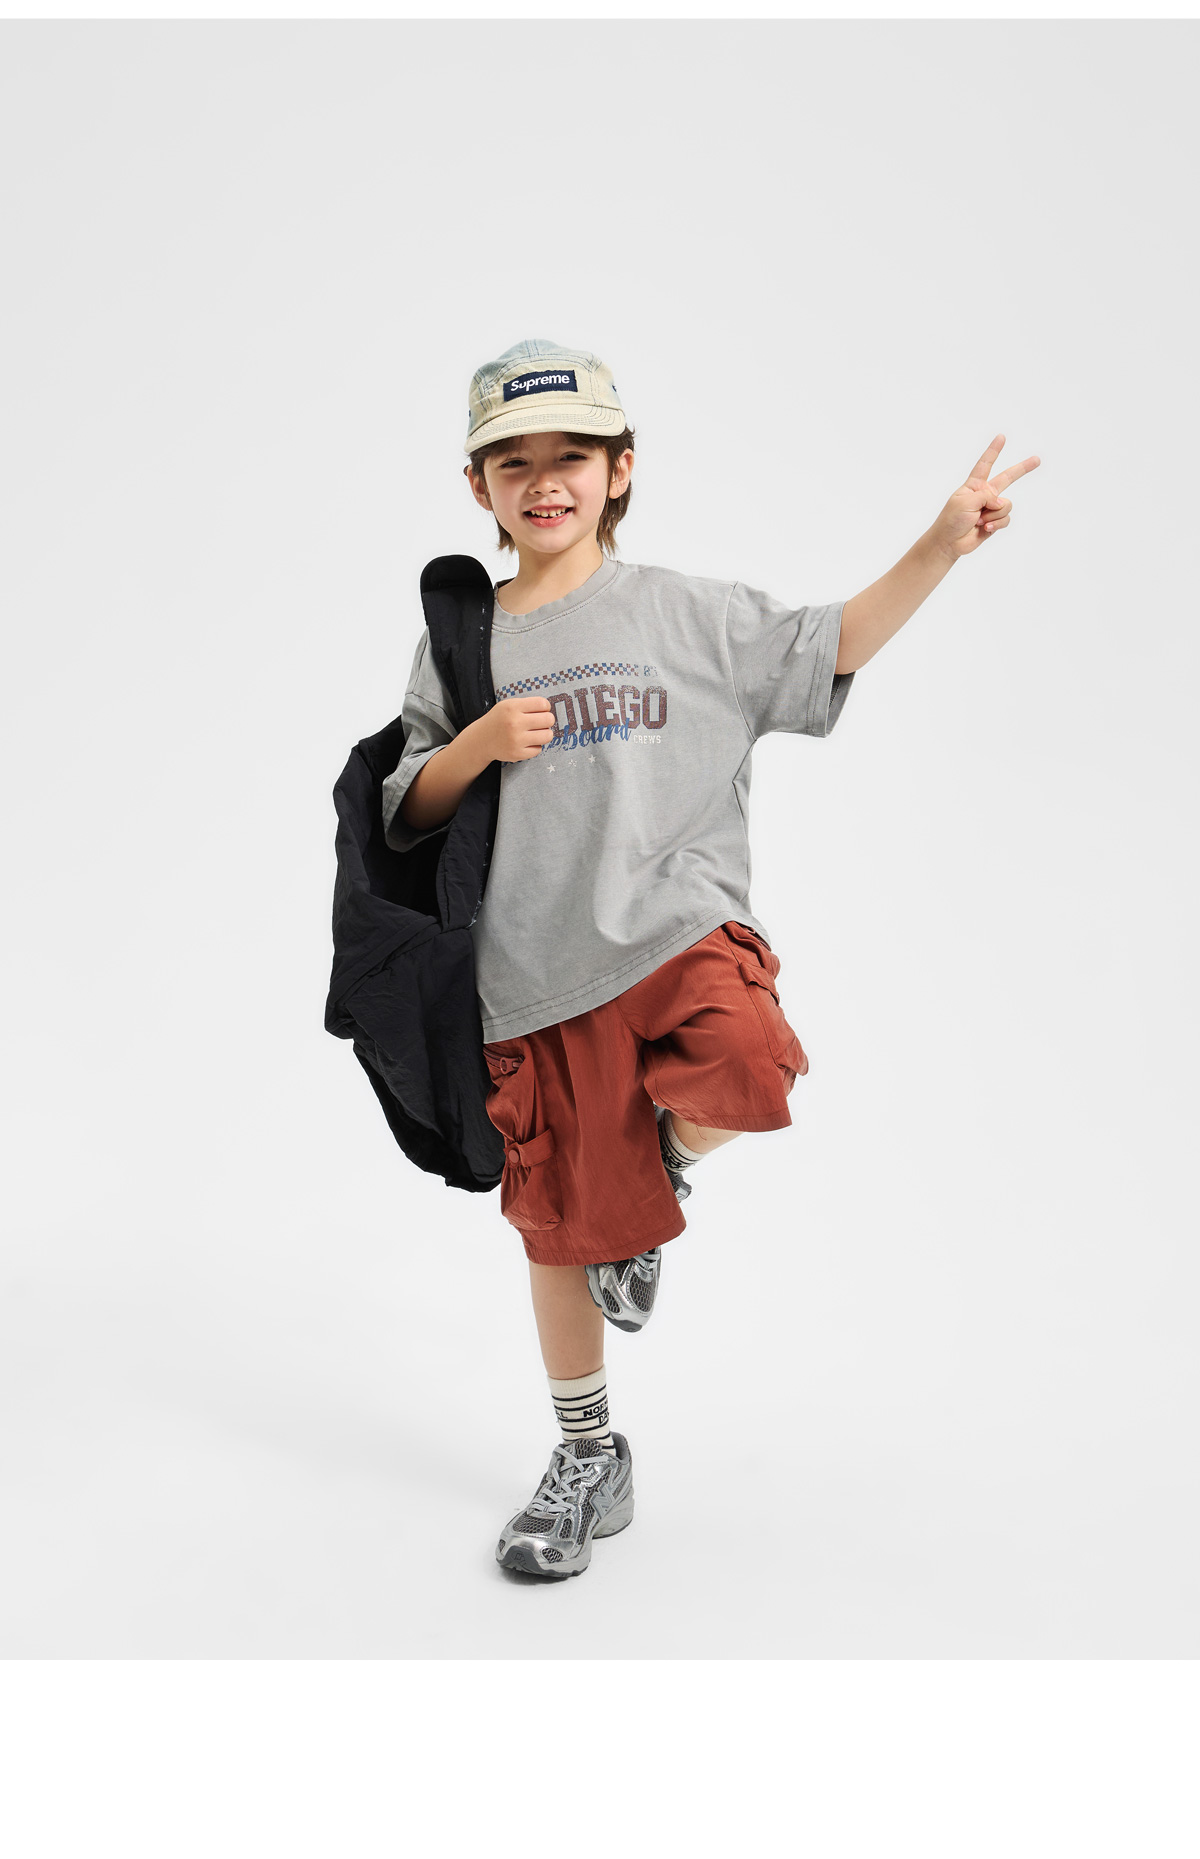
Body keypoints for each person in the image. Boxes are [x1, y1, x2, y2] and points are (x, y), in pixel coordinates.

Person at [381, 337, 1039, 1579]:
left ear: (621, 469)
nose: (544, 481)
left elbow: (829, 643)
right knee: (560, 1231)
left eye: (571, 456)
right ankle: (587, 1454)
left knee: (751, 1060)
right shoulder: (461, 645)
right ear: (479, 488)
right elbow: (405, 811)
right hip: (532, 978)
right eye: (513, 463)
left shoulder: (691, 612)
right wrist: (477, 741)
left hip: (679, 929)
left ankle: (660, 1180)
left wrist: (941, 544)